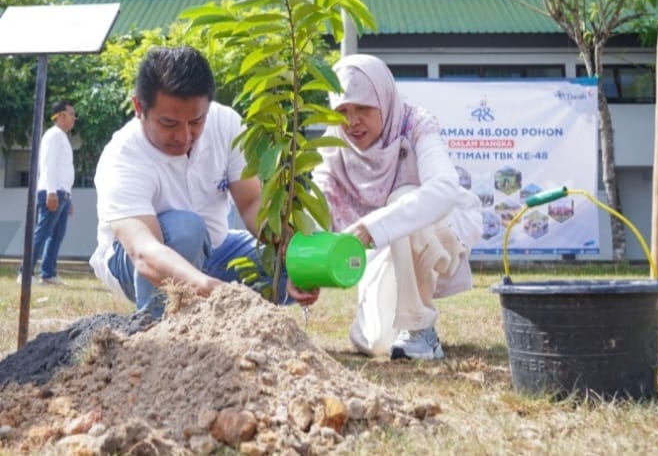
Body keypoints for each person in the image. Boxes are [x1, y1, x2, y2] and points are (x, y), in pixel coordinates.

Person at [89, 46, 319, 316]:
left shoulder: (226, 124)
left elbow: (251, 203)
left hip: (216, 251)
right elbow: (144, 252)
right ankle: (162, 327)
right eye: (168, 123)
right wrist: (213, 290)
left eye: (196, 121)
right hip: (137, 264)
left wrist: (291, 252)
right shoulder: (124, 157)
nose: (184, 135)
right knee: (187, 228)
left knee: (286, 265)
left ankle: (229, 322)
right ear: (139, 107)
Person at [312, 54, 482, 360]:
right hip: (383, 251)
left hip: (437, 239)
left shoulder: (415, 125)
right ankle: (398, 324)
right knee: (377, 344)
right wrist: (306, 272)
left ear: (384, 99)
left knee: (403, 196)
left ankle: (419, 327)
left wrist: (371, 227)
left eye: (363, 108)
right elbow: (317, 208)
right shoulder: (333, 145)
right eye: (342, 111)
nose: (352, 122)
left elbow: (444, 189)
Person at [17, 100, 77, 286]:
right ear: (61, 115)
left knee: (57, 235)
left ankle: (48, 273)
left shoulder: (62, 137)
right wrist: (52, 192)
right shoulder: (54, 135)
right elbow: (48, 165)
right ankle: (25, 273)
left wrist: (68, 197)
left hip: (62, 193)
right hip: (53, 192)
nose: (74, 119)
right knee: (42, 233)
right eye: (72, 114)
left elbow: (63, 169)